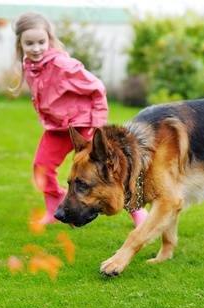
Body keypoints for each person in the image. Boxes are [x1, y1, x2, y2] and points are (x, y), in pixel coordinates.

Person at [10, 12, 147, 227]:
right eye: (29, 43)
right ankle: (54, 207)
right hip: (56, 128)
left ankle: (137, 212)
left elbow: (97, 89)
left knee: (110, 171)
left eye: (41, 42)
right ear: (20, 44)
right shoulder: (29, 67)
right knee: (41, 167)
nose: (36, 48)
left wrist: (98, 123)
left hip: (82, 126)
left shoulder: (64, 66)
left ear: (50, 40)